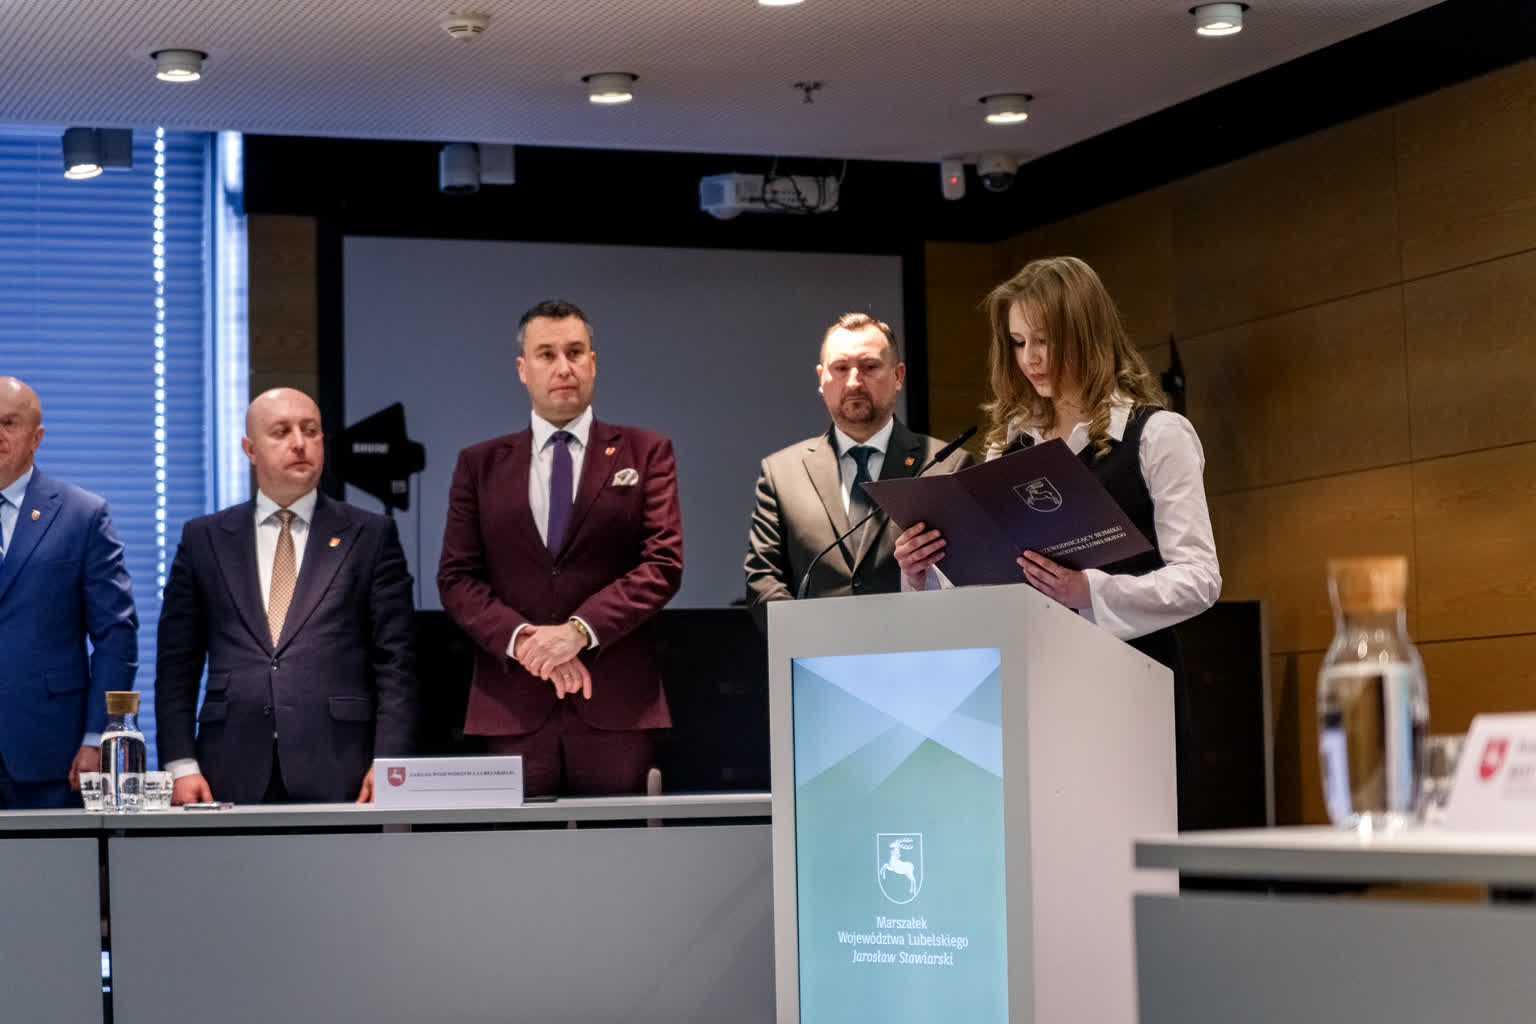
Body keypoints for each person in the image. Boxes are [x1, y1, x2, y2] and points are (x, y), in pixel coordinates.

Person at [893, 256, 1221, 667]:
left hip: (1133, 675)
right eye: (1018, 342)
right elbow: (983, 591)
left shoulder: (1157, 435)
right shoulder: (1008, 446)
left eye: (1044, 340)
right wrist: (921, 573)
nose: (1029, 358)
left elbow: (1199, 579)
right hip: (1031, 672)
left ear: (1087, 335)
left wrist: (1091, 592)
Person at [438, 299, 683, 797]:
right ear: (522, 369)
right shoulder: (479, 465)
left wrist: (577, 632)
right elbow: (457, 578)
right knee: (520, 847)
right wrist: (527, 641)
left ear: (593, 362)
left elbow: (662, 564)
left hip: (616, 701)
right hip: (513, 703)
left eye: (574, 352)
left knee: (617, 843)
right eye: (546, 354)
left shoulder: (646, 451)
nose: (563, 367)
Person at [155, 388, 418, 805]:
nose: (299, 442)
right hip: (228, 765)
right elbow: (176, 664)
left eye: (310, 431)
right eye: (281, 432)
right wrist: (180, 763)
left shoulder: (370, 535)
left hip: (342, 765)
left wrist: (391, 763)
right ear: (250, 449)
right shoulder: (204, 538)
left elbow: (397, 661)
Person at [745, 313, 972, 603]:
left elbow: (972, 577)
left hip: (916, 631)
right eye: (841, 368)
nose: (854, 382)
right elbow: (762, 578)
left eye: (869, 367)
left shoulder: (948, 466)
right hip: (812, 632)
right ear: (821, 378)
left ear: (899, 375)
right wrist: (802, 630)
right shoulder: (780, 473)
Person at [0, 377, 137, 809]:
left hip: (51, 751)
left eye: (9, 423)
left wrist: (99, 736)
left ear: (36, 437)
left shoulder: (82, 515)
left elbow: (115, 637)